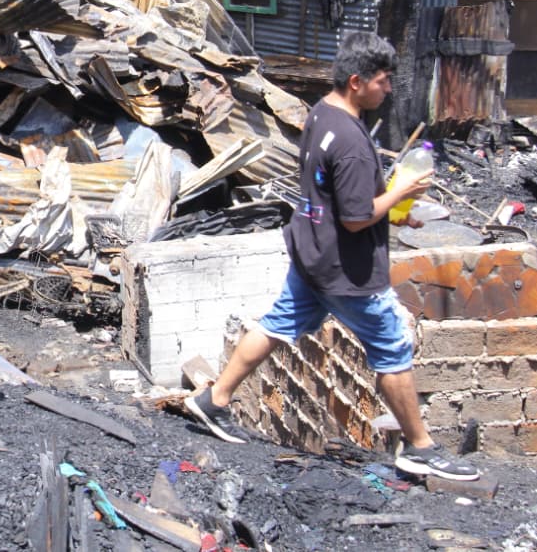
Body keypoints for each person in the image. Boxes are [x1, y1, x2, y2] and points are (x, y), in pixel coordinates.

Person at [186, 32, 480, 482]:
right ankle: (420, 448)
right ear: (357, 81)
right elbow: (357, 218)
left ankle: (214, 399)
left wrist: (395, 214)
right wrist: (401, 191)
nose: (388, 90)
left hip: (312, 251)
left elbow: (337, 195)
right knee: (392, 346)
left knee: (276, 325)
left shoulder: (321, 114)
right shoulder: (351, 141)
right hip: (347, 270)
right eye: (383, 81)